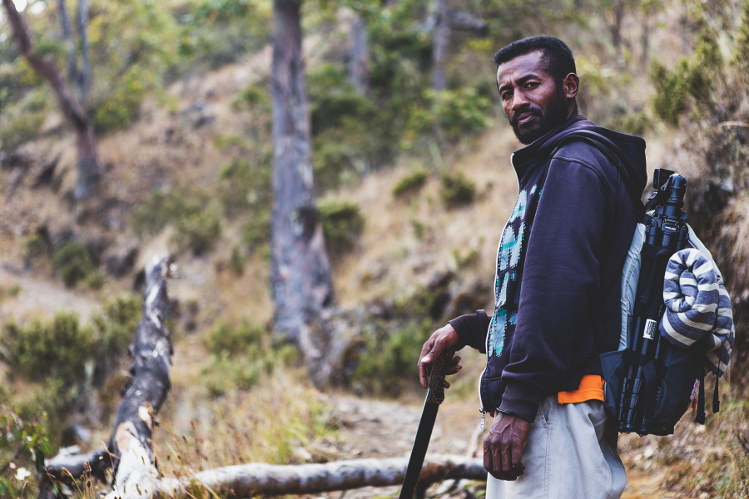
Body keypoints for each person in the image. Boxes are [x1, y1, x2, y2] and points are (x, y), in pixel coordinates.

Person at [416, 36, 648, 499]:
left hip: (554, 408)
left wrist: (516, 407)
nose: (517, 101)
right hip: (559, 401)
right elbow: (552, 300)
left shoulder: (573, 164)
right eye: (506, 92)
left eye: (529, 85)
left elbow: (560, 295)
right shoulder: (563, 163)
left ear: (568, 86)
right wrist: (467, 329)